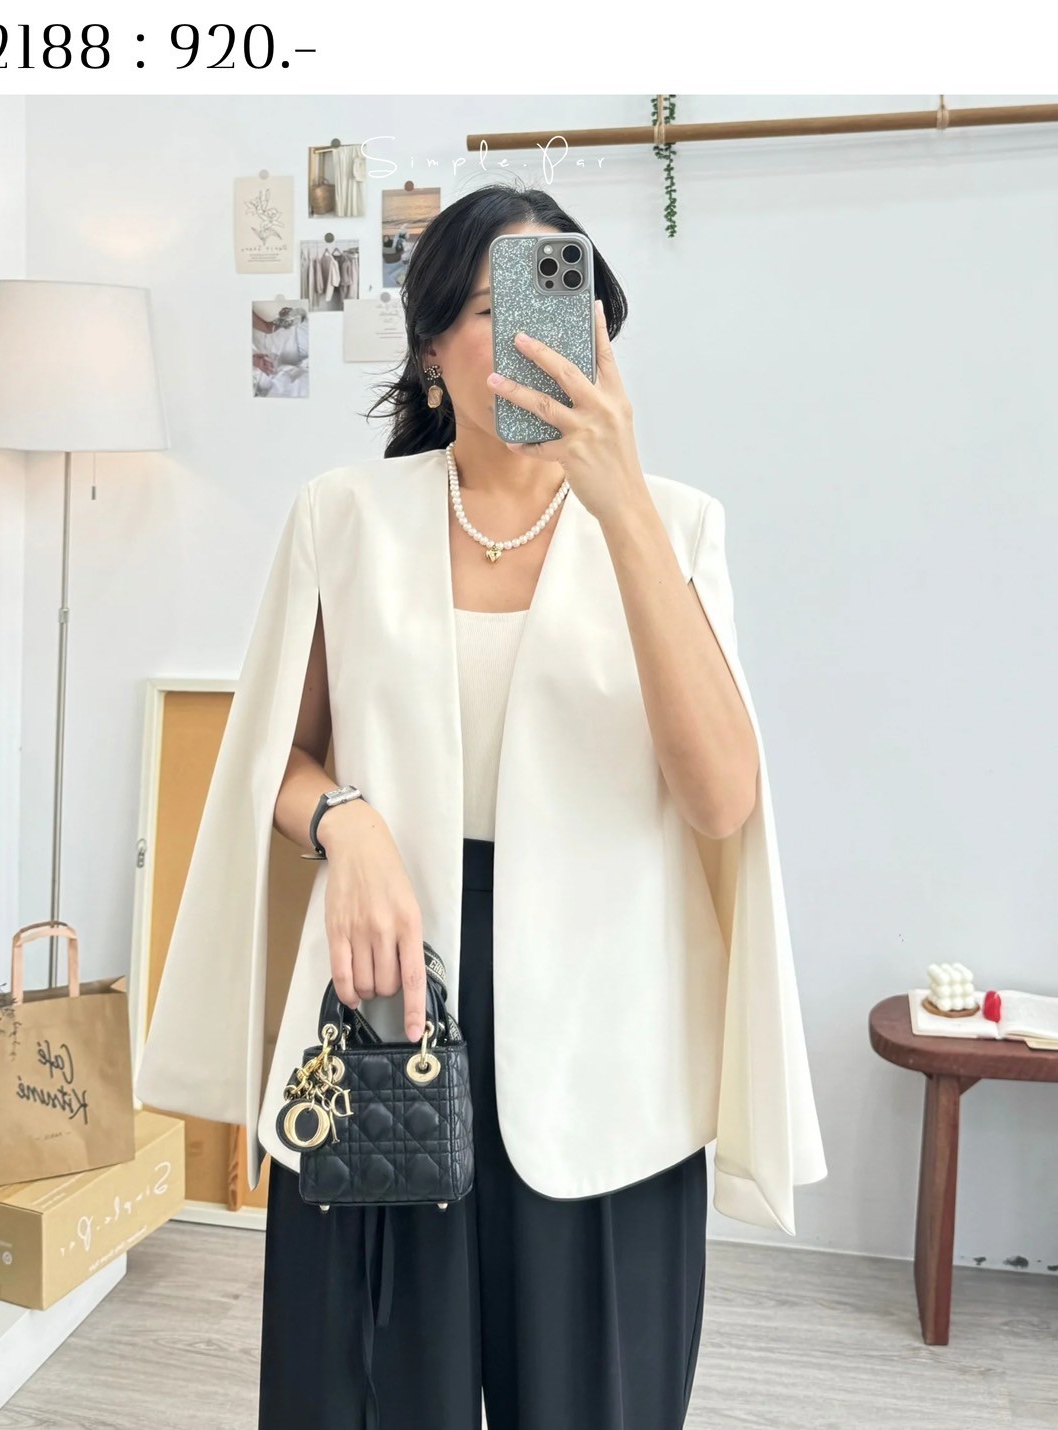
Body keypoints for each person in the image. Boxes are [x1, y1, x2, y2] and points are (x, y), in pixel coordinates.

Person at [253, 182, 777, 1428]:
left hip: (609, 1043)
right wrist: (346, 822)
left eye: (566, 299)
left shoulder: (675, 524)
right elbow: (273, 759)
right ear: (431, 348)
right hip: (385, 1009)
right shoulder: (345, 517)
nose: (543, 334)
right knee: (364, 1396)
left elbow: (721, 800)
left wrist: (622, 501)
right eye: (499, 305)